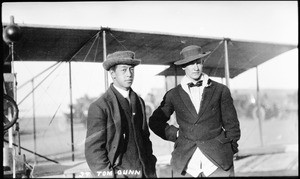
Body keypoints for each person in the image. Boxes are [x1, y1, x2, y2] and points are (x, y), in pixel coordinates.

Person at [149, 45, 241, 177]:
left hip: (218, 164)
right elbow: (155, 122)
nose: (196, 67)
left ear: (203, 63)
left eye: (198, 62)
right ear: (183, 67)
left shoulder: (221, 90)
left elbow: (232, 125)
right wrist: (175, 134)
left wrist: (229, 149)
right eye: (191, 64)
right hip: (186, 165)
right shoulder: (173, 94)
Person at [85, 51, 157, 178]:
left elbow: (145, 139)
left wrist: (150, 168)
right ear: (113, 74)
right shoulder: (99, 106)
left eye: (131, 69)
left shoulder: (139, 102)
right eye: (123, 70)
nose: (129, 74)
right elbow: (93, 152)